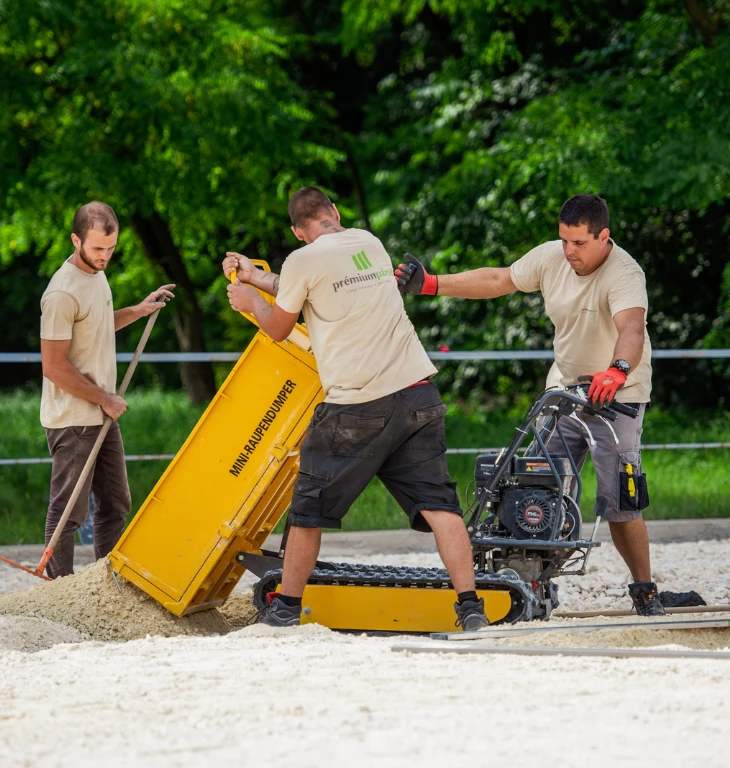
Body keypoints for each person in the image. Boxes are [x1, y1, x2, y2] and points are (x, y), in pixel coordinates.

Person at [222, 186, 489, 629]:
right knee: (439, 505)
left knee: (309, 509)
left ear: (297, 231)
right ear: (334, 212)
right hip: (416, 393)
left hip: (356, 405)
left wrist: (252, 303)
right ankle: (471, 607)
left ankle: (285, 608)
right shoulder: (368, 242)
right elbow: (314, 287)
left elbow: (280, 326)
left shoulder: (301, 259)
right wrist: (256, 277)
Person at [396, 194, 664, 616]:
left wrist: (617, 370)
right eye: (564, 241)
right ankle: (532, 585)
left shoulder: (625, 273)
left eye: (579, 243)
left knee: (620, 504)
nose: (569, 252)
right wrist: (432, 284)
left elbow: (631, 327)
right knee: (535, 490)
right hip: (565, 390)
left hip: (617, 395)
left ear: (603, 237)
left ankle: (644, 590)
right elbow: (497, 280)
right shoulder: (551, 257)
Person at [39, 201, 175, 578]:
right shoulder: (61, 293)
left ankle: (106, 583)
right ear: (76, 240)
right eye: (98, 248)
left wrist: (139, 310)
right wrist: (106, 398)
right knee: (69, 511)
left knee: (116, 503)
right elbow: (53, 366)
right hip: (73, 419)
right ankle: (60, 590)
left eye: (111, 248)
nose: (105, 256)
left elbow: (96, 326)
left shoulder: (97, 276)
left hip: (101, 412)